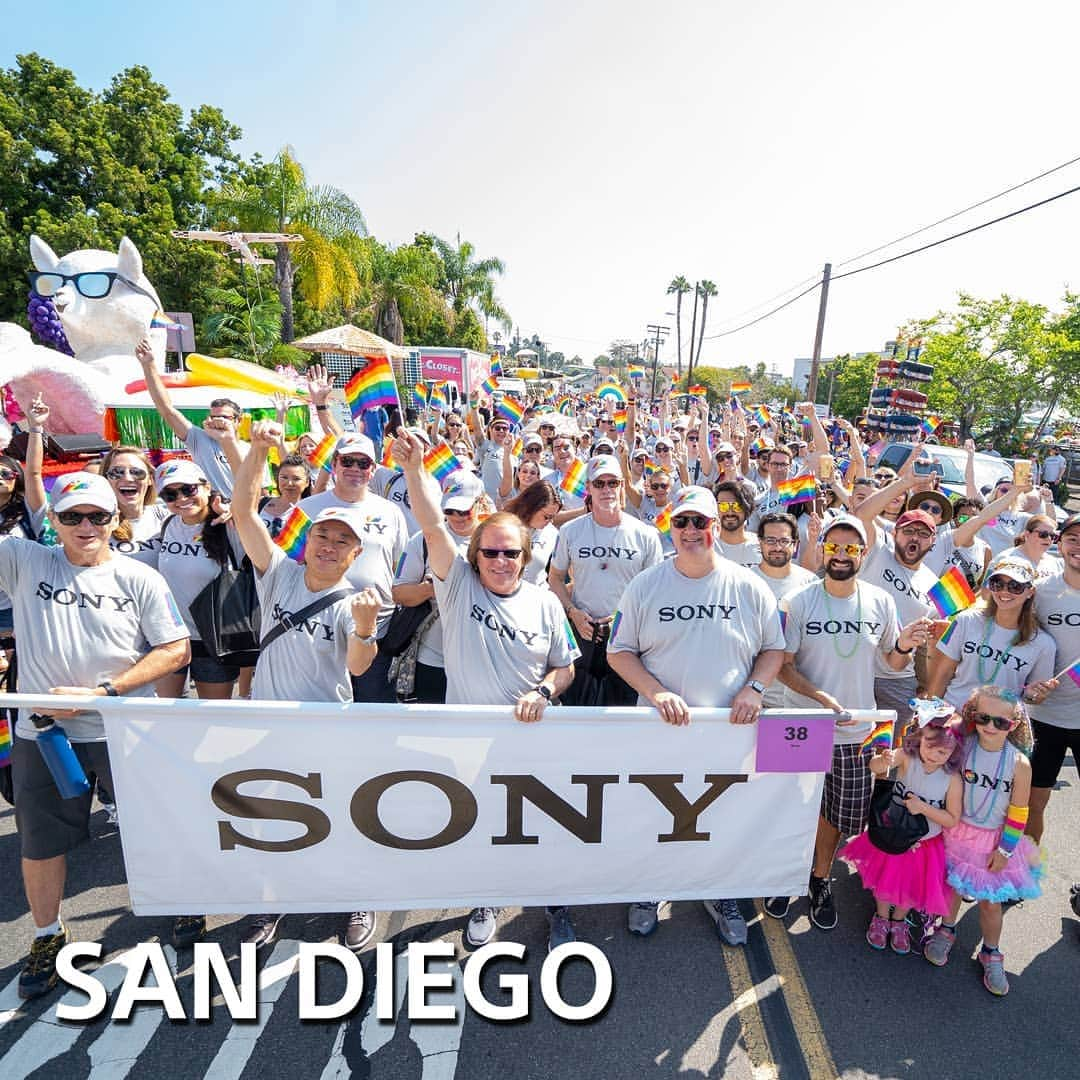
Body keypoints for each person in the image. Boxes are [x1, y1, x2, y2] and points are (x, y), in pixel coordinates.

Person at [0, 471, 190, 998]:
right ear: (52, 521)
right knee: (40, 842)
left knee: (155, 825)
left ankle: (181, 903)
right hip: (44, 735)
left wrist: (108, 690)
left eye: (97, 516)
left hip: (122, 727)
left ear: (116, 520)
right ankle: (45, 934)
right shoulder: (23, 560)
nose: (85, 526)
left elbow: (175, 649)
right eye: (72, 517)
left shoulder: (140, 578)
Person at [390, 428, 580, 953]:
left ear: (525, 556)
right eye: (492, 552)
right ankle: (486, 900)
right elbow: (431, 523)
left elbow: (565, 668)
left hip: (530, 738)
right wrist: (413, 467)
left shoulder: (544, 603)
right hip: (468, 742)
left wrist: (544, 691)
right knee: (482, 829)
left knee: (534, 828)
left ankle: (554, 902)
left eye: (511, 554)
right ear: (477, 553)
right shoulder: (457, 586)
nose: (501, 561)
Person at [607, 486, 785, 945]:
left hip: (730, 734)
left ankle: (720, 891)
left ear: (716, 526)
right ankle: (650, 888)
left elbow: (773, 649)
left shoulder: (748, 585)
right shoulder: (645, 585)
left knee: (721, 818)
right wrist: (656, 692)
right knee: (656, 813)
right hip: (662, 730)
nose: (690, 531)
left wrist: (756, 688)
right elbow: (619, 652)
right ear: (671, 526)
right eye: (682, 522)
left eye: (699, 522)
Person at [229, 421, 382, 951]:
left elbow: (360, 668)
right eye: (323, 534)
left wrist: (364, 630)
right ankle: (269, 903)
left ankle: (355, 899)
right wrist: (255, 450)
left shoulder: (352, 601)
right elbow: (244, 513)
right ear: (307, 537)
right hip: (270, 724)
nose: (330, 545)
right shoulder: (279, 572)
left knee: (340, 815)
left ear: (354, 554)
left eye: (343, 541)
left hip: (326, 728)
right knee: (271, 817)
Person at [771, 514, 934, 930]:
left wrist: (903, 644)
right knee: (793, 808)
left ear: (864, 553)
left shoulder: (881, 601)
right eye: (833, 547)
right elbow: (782, 668)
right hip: (802, 724)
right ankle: (783, 875)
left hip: (859, 728)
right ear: (822, 550)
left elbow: (890, 663)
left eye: (851, 548)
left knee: (840, 815)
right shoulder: (798, 600)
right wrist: (818, 697)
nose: (841, 556)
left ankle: (818, 878)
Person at [922, 687, 1042, 996]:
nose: (991, 727)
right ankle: (945, 930)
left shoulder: (1019, 763)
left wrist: (1005, 849)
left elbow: (1019, 811)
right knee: (952, 887)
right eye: (984, 718)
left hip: (993, 842)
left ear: (1013, 724)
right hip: (956, 832)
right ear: (973, 717)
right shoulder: (963, 746)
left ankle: (991, 951)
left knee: (990, 904)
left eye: (1000, 722)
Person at [841, 700, 963, 953]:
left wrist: (924, 808)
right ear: (920, 738)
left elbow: (952, 818)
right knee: (886, 883)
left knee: (911, 887)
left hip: (925, 842)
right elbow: (875, 767)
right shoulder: (908, 757)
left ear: (954, 752)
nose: (933, 755)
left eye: (942, 752)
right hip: (893, 832)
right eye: (929, 746)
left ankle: (899, 922)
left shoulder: (952, 778)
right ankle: (882, 917)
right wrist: (882, 760)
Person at [296, 434, 409, 702]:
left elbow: (398, 564)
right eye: (348, 461)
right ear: (334, 463)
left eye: (363, 463)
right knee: (323, 710)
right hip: (319, 628)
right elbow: (291, 565)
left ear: (373, 469)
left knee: (371, 714)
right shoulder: (306, 508)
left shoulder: (390, 511)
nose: (355, 469)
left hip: (376, 629)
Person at [548, 455, 663, 706]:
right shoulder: (570, 531)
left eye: (613, 483)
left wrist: (624, 618)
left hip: (628, 637)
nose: (607, 490)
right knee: (576, 711)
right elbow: (555, 578)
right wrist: (573, 613)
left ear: (622, 485)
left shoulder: (645, 534)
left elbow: (655, 591)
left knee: (623, 711)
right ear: (588, 488)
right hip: (583, 632)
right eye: (599, 484)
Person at [146, 460, 248, 706]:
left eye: (188, 489)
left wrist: (237, 514)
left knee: (210, 717)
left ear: (206, 487)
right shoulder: (169, 525)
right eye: (170, 494)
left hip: (213, 640)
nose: (181, 498)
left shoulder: (229, 525)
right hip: (169, 636)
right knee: (160, 715)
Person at [392, 471, 485, 703]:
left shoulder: (496, 539)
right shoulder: (422, 541)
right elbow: (399, 593)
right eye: (449, 511)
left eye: (464, 510)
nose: (456, 517)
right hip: (432, 659)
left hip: (481, 659)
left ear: (480, 502)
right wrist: (436, 587)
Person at [1021, 512, 1080, 847]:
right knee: (1032, 804)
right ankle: (1025, 872)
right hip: (1044, 718)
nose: (1078, 546)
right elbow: (1015, 634)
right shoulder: (1040, 592)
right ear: (1059, 544)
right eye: (1072, 538)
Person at [926, 559, 1055, 710]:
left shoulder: (1044, 644)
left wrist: (1033, 695)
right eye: (997, 584)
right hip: (953, 717)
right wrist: (929, 712)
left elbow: (1032, 698)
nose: (1004, 591)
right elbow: (943, 672)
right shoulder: (966, 620)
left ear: (1030, 592)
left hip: (996, 726)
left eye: (1015, 586)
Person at [135, 338, 247, 496]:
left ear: (238, 420)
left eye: (224, 417)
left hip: (241, 510)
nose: (218, 421)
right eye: (213, 417)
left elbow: (259, 488)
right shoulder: (199, 439)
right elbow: (167, 410)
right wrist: (149, 365)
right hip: (210, 507)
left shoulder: (249, 448)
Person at [752, 512, 817, 708]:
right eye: (770, 540)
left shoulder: (811, 583)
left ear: (796, 544)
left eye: (784, 540)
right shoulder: (744, 582)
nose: (777, 547)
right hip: (755, 699)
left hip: (800, 699)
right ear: (760, 543)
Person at [504, 481, 562, 586]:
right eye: (547, 517)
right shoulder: (503, 526)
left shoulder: (552, 533)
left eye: (553, 517)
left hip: (537, 597)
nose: (550, 522)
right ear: (531, 507)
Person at [713, 480, 761, 567]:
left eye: (737, 506)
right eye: (723, 506)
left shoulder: (763, 546)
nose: (730, 512)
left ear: (747, 509)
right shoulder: (706, 547)